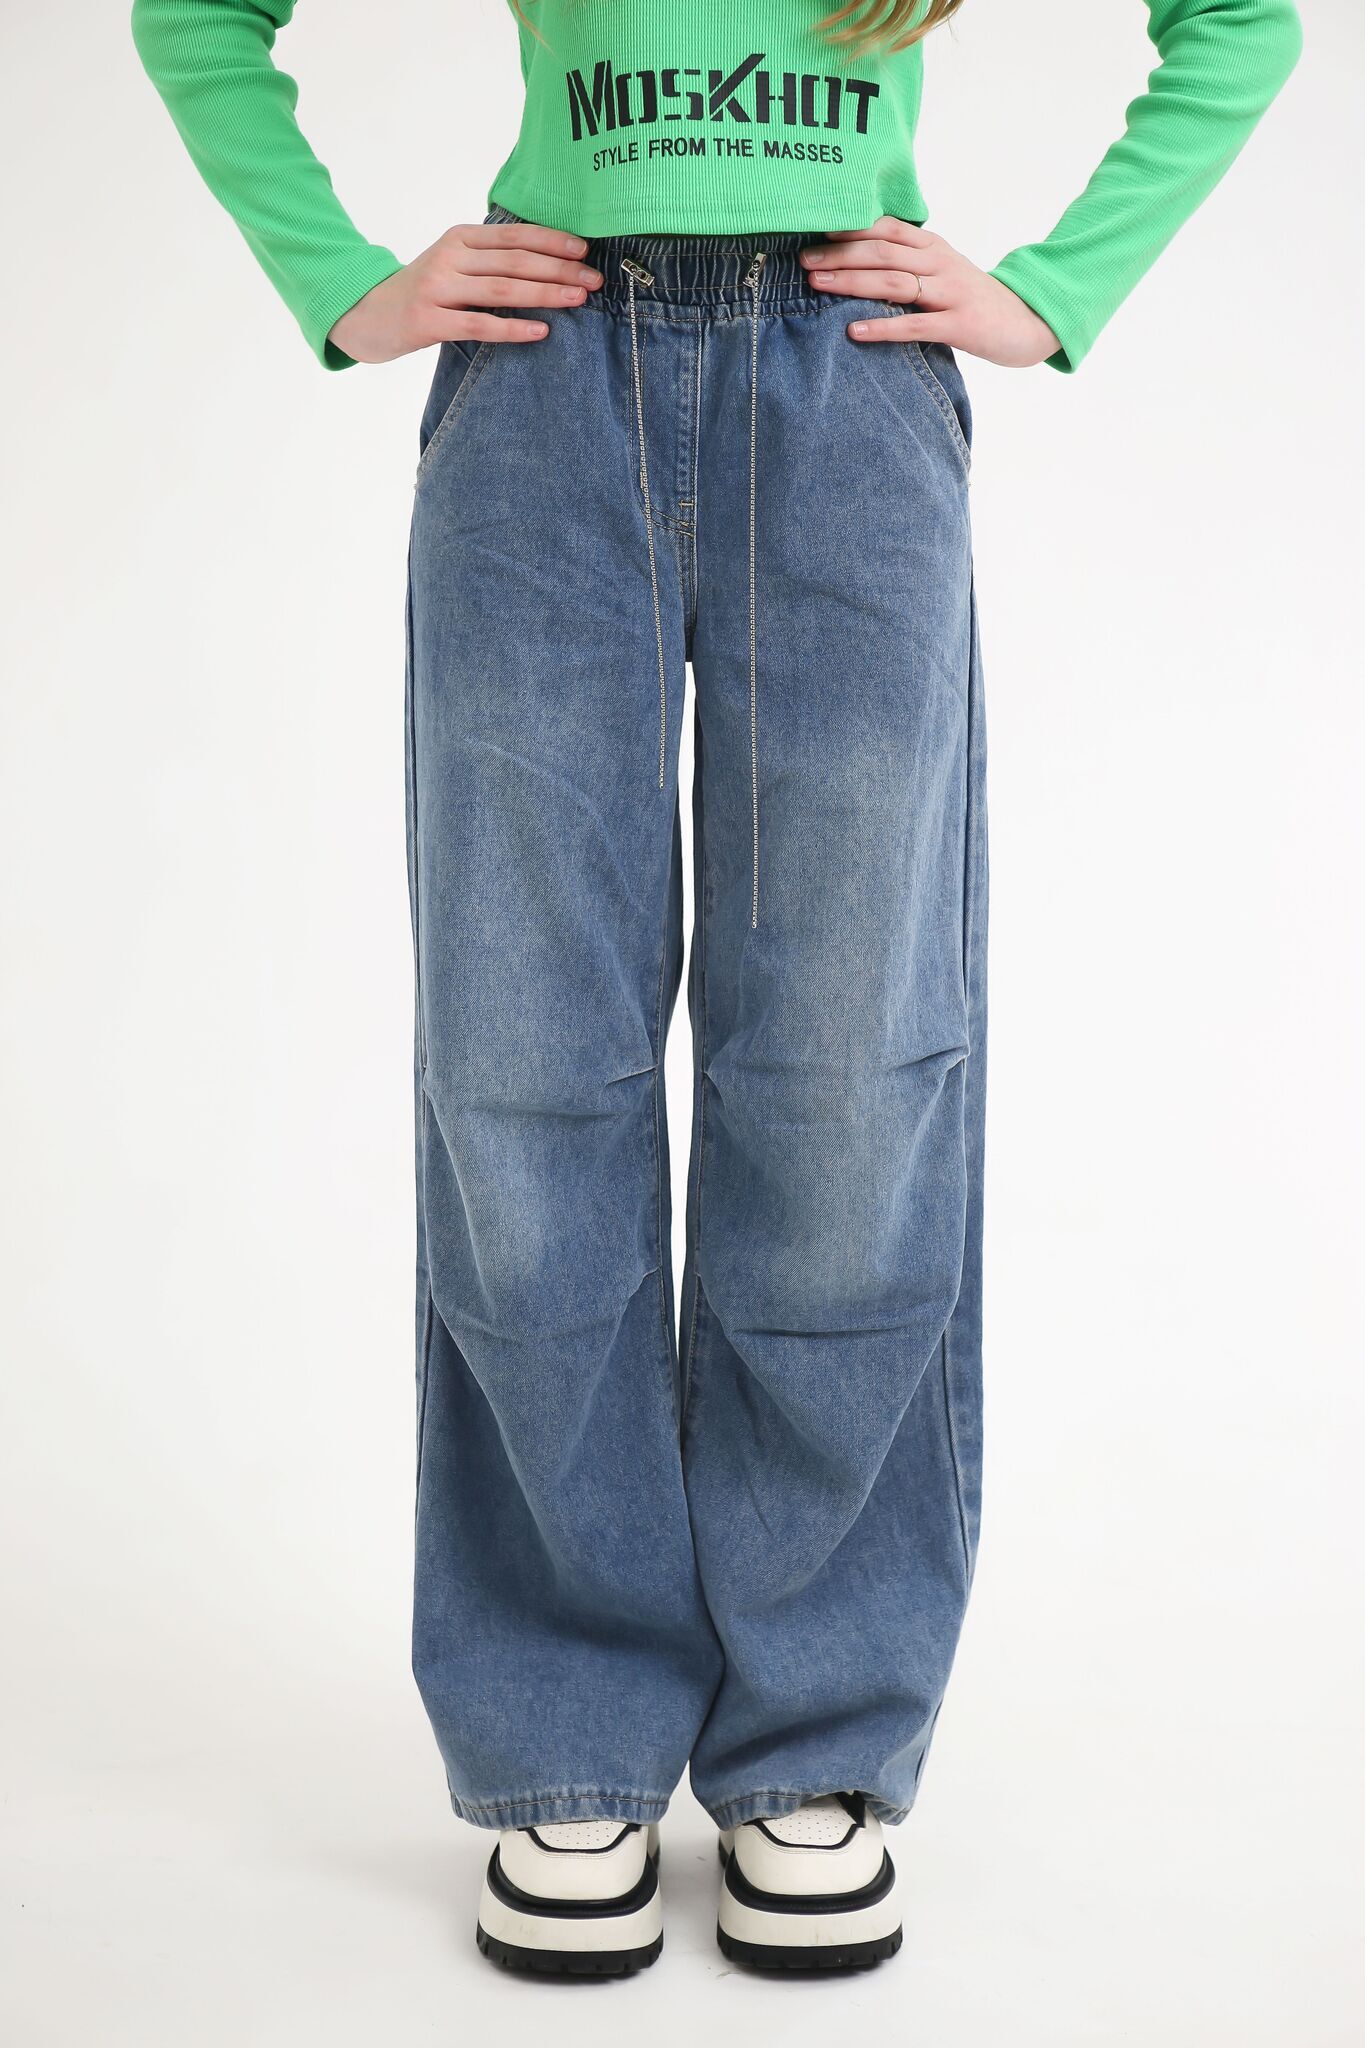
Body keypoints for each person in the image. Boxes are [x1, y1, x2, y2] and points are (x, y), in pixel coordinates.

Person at [131, 0, 1301, 1978]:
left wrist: (1052, 290)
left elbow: (1238, 22)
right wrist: (339, 280)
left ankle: (813, 1731)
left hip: (848, 389)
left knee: (849, 1070)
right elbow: (195, 16)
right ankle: (565, 1723)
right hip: (542, 390)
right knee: (521, 1069)